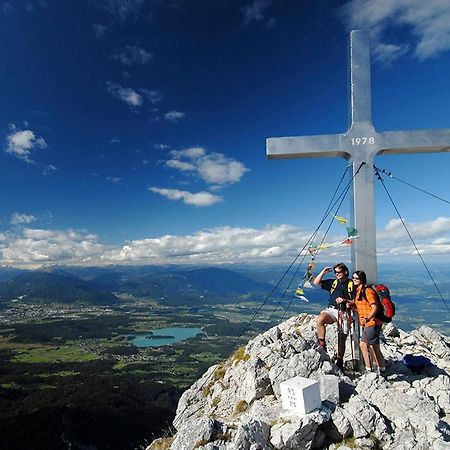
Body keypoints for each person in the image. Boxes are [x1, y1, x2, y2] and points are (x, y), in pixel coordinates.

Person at [313, 263, 354, 369]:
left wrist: (345, 300)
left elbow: (357, 300)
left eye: (339, 272)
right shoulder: (333, 283)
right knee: (320, 319)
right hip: (332, 309)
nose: (336, 274)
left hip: (345, 312)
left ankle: (340, 359)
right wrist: (323, 272)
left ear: (345, 272)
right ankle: (322, 343)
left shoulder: (351, 284)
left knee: (342, 338)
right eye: (335, 272)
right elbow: (316, 282)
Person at [347, 270, 386, 374]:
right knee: (372, 346)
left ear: (361, 279)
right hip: (368, 323)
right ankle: (380, 369)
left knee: (367, 346)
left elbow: (374, 307)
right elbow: (362, 307)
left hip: (372, 323)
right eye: (353, 278)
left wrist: (368, 318)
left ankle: (372, 370)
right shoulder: (359, 291)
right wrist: (351, 305)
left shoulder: (368, 291)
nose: (354, 280)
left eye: (357, 278)